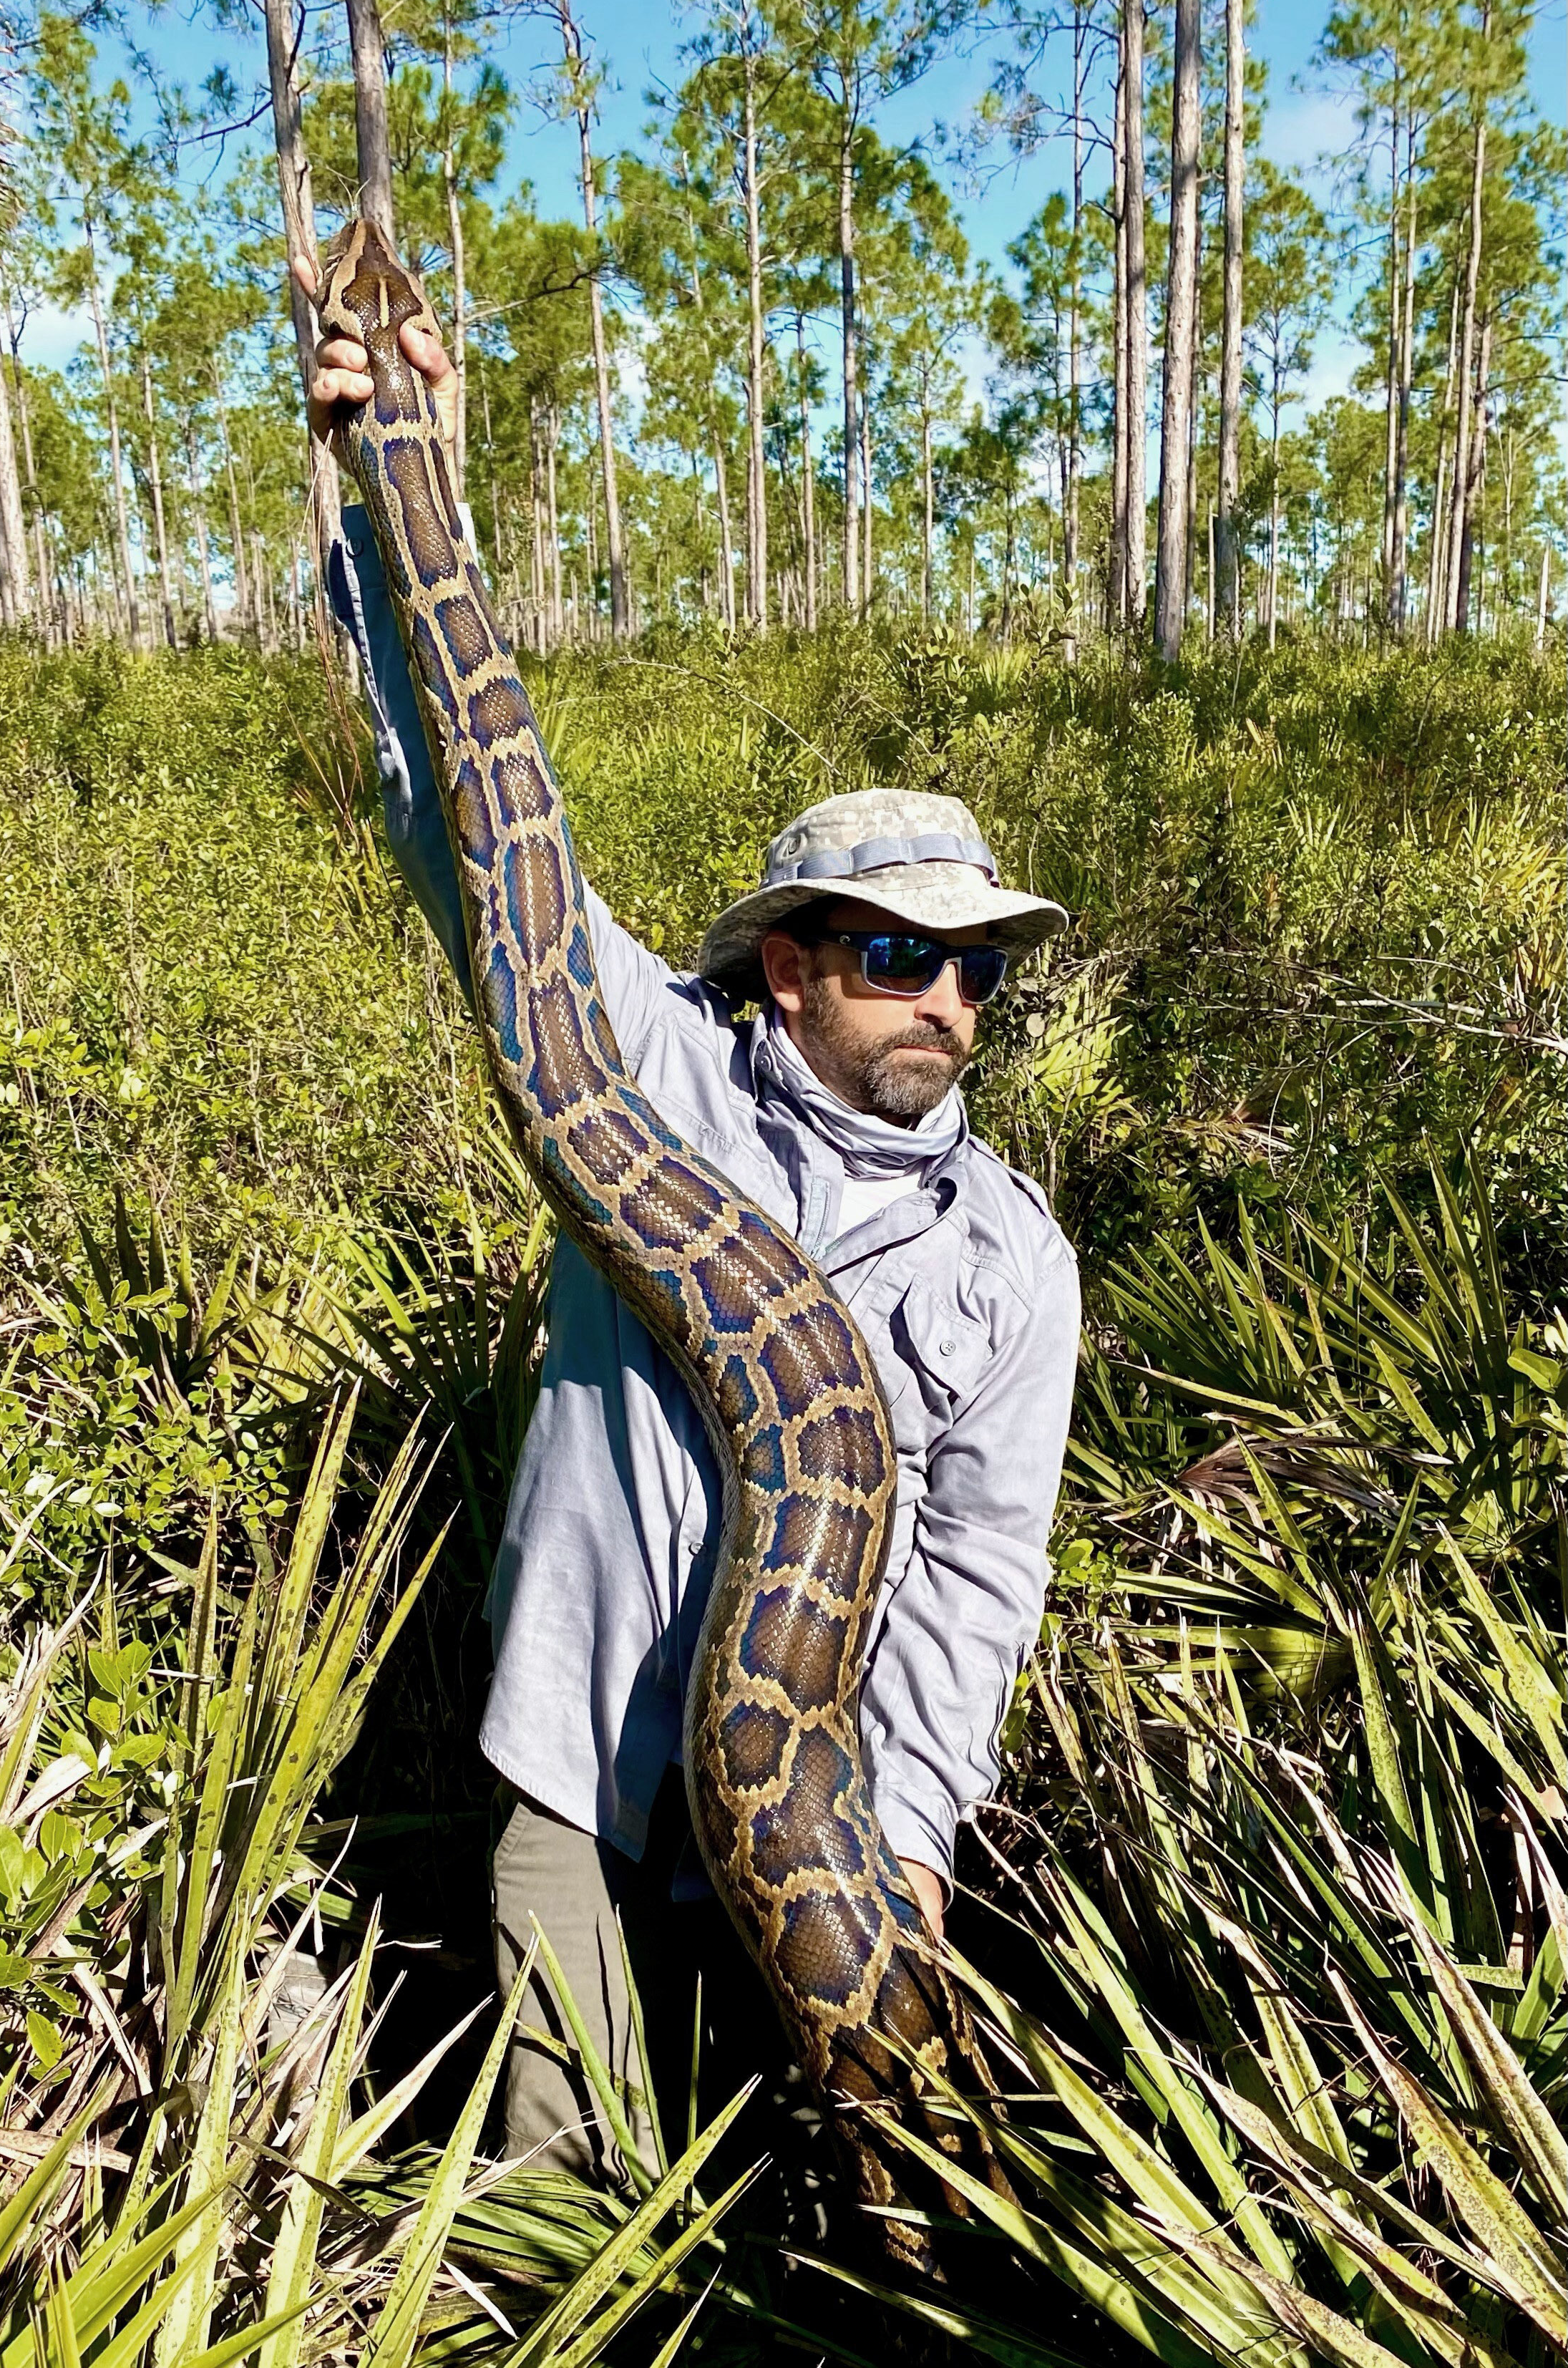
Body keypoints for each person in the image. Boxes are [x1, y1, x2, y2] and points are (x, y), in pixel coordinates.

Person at [301, 269, 1081, 2184]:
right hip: (578, 1760)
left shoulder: (1011, 1262)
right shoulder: (647, 1064)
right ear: (794, 965)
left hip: (822, 1819)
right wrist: (403, 486)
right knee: (570, 2195)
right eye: (902, 955)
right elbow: (469, 805)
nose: (948, 1003)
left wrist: (891, 1849)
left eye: (975, 969)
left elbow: (975, 1581)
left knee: (825, 2212)